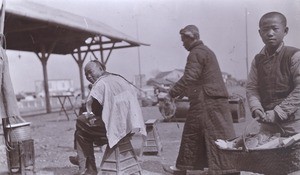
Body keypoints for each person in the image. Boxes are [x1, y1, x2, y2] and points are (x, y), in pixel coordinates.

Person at [163, 25, 238, 175]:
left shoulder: (195, 53)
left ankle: (182, 168)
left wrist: (171, 93)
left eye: (184, 40)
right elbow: (196, 79)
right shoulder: (206, 51)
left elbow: (190, 77)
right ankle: (224, 168)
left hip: (206, 101)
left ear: (192, 38)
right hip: (213, 100)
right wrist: (180, 93)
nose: (182, 43)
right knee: (215, 134)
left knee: (192, 132)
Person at [70, 60, 146, 175]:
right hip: (130, 127)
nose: (89, 76)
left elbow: (94, 110)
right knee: (81, 133)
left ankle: (86, 166)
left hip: (114, 129)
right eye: (86, 75)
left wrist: (87, 103)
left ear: (101, 68)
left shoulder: (101, 83)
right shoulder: (119, 79)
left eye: (90, 72)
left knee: (80, 121)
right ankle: (83, 161)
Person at [246, 12, 300, 137]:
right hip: (267, 124)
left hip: (294, 124)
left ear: (285, 31)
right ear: (260, 33)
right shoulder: (258, 60)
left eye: (275, 29)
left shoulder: (294, 55)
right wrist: (256, 108)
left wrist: (278, 112)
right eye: (265, 30)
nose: (270, 33)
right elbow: (252, 87)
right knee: (266, 154)